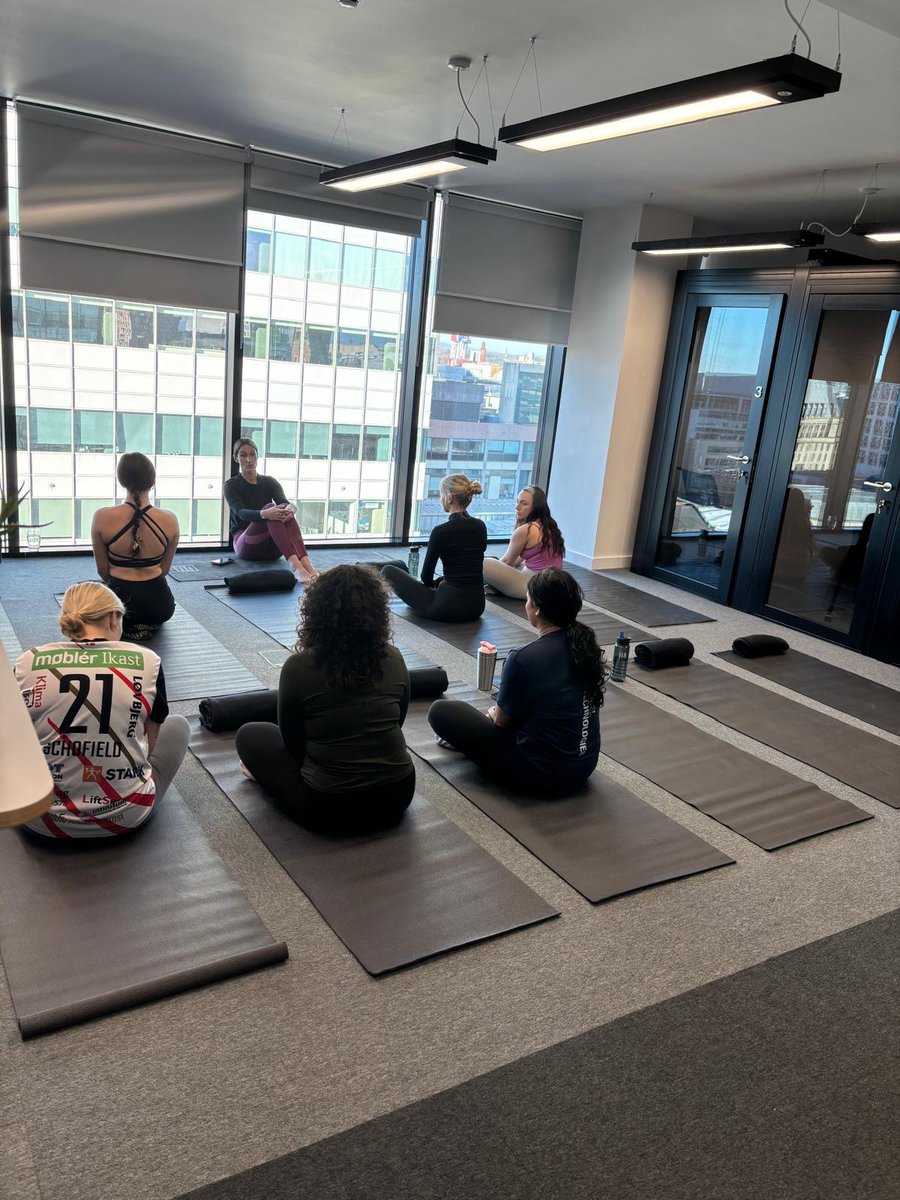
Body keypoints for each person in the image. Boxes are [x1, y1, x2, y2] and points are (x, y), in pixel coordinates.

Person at [235, 565, 415, 834]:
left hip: (330, 806)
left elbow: (293, 743)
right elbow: (398, 720)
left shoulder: (299, 666)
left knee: (250, 734)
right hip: (397, 796)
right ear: (377, 613)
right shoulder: (394, 657)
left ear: (315, 612)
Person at [14, 581, 190, 840]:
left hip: (39, 821)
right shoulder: (147, 660)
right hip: (126, 816)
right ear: (113, 618)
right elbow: (149, 746)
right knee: (178, 725)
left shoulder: (28, 661)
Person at [428, 568, 607, 796]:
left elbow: (502, 722)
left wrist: (493, 712)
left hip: (539, 775)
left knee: (441, 711)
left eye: (528, 599)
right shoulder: (585, 647)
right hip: (583, 767)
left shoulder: (523, 658)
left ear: (537, 608)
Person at [91, 452, 180, 641]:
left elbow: (103, 571)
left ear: (121, 480)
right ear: (152, 481)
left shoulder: (101, 517)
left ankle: (126, 625)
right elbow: (164, 570)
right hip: (159, 608)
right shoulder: (170, 520)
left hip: (117, 608)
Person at [381, 475, 487, 621]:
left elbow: (426, 577)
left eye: (441, 494)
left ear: (449, 497)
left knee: (388, 570)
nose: (440, 499)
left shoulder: (441, 531)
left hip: (447, 607)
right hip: (477, 606)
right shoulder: (480, 526)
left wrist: (435, 586)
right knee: (400, 566)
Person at [223, 438, 317, 584]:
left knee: (283, 509)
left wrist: (290, 510)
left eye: (252, 454)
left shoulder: (269, 481)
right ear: (236, 458)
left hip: (275, 548)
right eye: (243, 455)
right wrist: (264, 514)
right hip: (246, 544)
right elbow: (241, 512)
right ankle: (296, 564)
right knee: (269, 508)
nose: (249, 459)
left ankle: (306, 562)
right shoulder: (231, 485)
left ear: (257, 456)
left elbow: (285, 503)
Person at [482, 485, 565, 599]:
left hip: (534, 587)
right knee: (514, 564)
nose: (517, 507)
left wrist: (490, 574)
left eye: (524, 504)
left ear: (535, 508)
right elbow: (518, 560)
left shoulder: (526, 530)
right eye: (517, 502)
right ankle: (497, 587)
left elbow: (507, 561)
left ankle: (494, 586)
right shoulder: (547, 525)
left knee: (485, 563)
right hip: (550, 586)